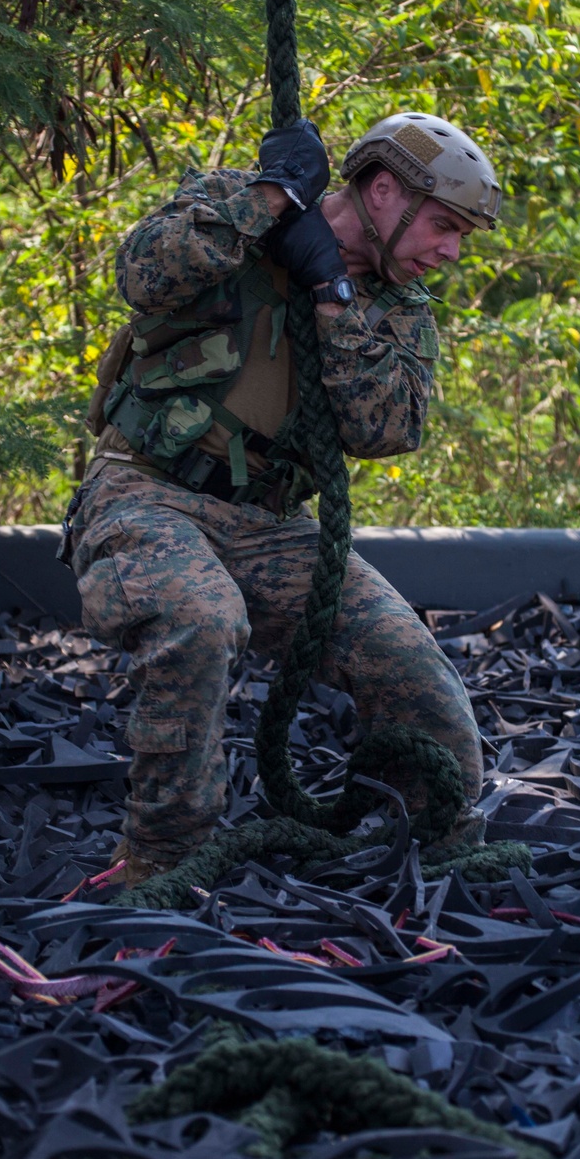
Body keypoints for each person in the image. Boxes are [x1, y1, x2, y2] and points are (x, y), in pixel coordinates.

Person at [67, 113, 503, 885]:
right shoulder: (234, 209)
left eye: (461, 234)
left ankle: (431, 847)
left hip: (272, 525)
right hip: (147, 490)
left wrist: (332, 295)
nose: (451, 250)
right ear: (380, 191)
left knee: (416, 675)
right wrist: (269, 203)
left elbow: (385, 429)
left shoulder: (398, 309)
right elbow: (140, 274)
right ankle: (162, 861)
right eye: (442, 225)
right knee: (199, 619)